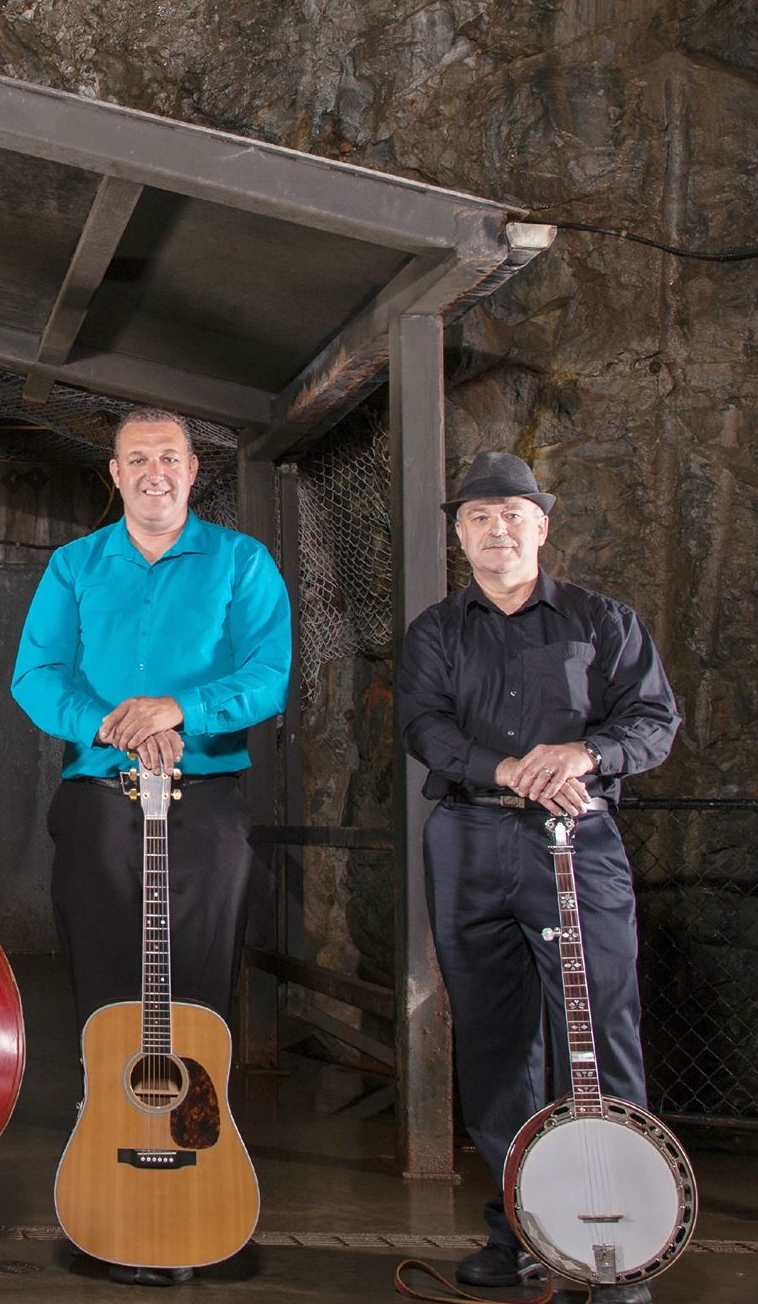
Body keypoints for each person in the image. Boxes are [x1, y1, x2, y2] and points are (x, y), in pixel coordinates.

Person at [11, 407, 291, 1288]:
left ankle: (203, 1181)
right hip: (100, 795)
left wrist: (179, 712)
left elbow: (267, 672)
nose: (154, 472)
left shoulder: (242, 563)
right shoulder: (73, 566)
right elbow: (34, 676)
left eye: (168, 457)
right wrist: (109, 723)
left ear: (192, 469)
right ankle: (111, 1175)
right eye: (138, 459)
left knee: (199, 996)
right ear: (114, 472)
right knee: (107, 993)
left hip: (204, 797)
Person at [397, 451, 678, 1304]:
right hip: (471, 841)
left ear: (541, 527)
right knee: (492, 1041)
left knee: (599, 1032)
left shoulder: (604, 622)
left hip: (578, 841)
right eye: (478, 518)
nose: (496, 529)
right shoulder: (436, 632)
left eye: (512, 514)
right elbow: (423, 726)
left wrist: (584, 752)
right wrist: (505, 767)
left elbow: (652, 721)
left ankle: (620, 1243)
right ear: (459, 536)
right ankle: (521, 1230)